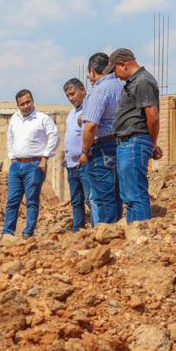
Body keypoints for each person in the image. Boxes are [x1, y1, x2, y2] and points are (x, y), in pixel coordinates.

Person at [106, 48, 161, 223]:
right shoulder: (135, 82)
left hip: (134, 142)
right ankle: (134, 233)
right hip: (129, 143)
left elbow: (153, 116)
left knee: (135, 195)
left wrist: (151, 144)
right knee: (129, 196)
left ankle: (141, 234)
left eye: (114, 70)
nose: (115, 76)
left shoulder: (143, 81)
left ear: (123, 65)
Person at [2, 89, 59, 237]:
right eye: (22, 104)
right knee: (12, 201)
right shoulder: (14, 118)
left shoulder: (42, 119)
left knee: (32, 201)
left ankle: (28, 233)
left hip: (35, 165)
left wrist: (45, 157)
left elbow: (54, 136)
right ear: (18, 105)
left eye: (28, 102)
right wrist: (12, 157)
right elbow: (10, 138)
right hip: (16, 165)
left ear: (33, 101)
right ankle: (7, 233)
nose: (26, 106)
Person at [78, 52, 124, 224]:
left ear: (92, 71)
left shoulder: (100, 90)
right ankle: (117, 231)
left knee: (103, 197)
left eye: (89, 74)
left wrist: (85, 151)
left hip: (102, 148)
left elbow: (91, 126)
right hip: (120, 144)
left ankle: (107, 233)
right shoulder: (121, 86)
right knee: (116, 195)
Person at [62, 78, 96, 231]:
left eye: (73, 93)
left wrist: (85, 153)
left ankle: (96, 228)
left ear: (83, 90)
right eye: (67, 96)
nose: (71, 98)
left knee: (90, 198)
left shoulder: (89, 109)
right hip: (71, 164)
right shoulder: (71, 114)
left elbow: (92, 133)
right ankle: (78, 230)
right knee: (76, 201)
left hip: (85, 161)